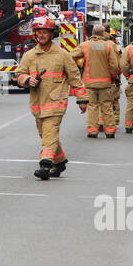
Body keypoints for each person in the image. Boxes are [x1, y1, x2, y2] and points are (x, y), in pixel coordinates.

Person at [15, 16, 88, 181]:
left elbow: (75, 78)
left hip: (56, 103)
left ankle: (45, 165)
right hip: (37, 105)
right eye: (38, 32)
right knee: (47, 135)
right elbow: (19, 75)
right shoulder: (29, 56)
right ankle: (60, 161)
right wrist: (27, 80)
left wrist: (82, 99)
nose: (41, 35)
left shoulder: (62, 55)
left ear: (52, 34)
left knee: (49, 133)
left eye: (44, 32)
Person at [74, 24, 120, 138]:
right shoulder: (109, 46)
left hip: (89, 83)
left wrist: (79, 68)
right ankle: (110, 131)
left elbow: (71, 56)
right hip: (105, 82)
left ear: (92, 33)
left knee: (92, 106)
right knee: (107, 106)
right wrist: (113, 77)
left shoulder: (84, 46)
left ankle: (92, 131)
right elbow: (114, 65)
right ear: (103, 33)